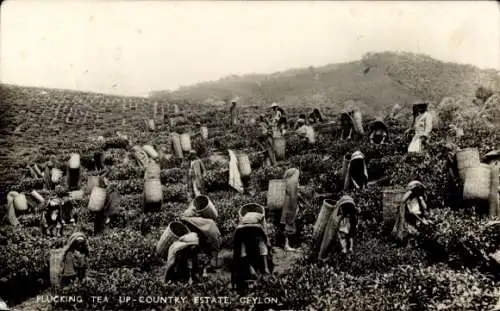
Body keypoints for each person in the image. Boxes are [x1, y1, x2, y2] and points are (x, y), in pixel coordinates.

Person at [231, 207, 273, 292]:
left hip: (256, 253)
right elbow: (242, 254)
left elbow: (263, 250)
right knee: (239, 266)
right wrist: (251, 269)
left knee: (264, 265)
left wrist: (266, 268)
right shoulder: (242, 236)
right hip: (246, 257)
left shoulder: (259, 235)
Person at [317, 195, 360, 261]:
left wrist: (350, 247)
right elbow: (331, 235)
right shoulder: (337, 218)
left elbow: (351, 234)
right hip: (339, 239)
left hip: (343, 238)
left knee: (342, 249)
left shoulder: (350, 220)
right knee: (332, 246)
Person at [280, 168, 301, 252]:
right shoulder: (292, 182)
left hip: (287, 203)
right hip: (290, 205)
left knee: (288, 223)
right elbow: (293, 195)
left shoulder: (288, 181)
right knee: (289, 223)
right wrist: (295, 208)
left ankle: (287, 244)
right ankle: (286, 245)